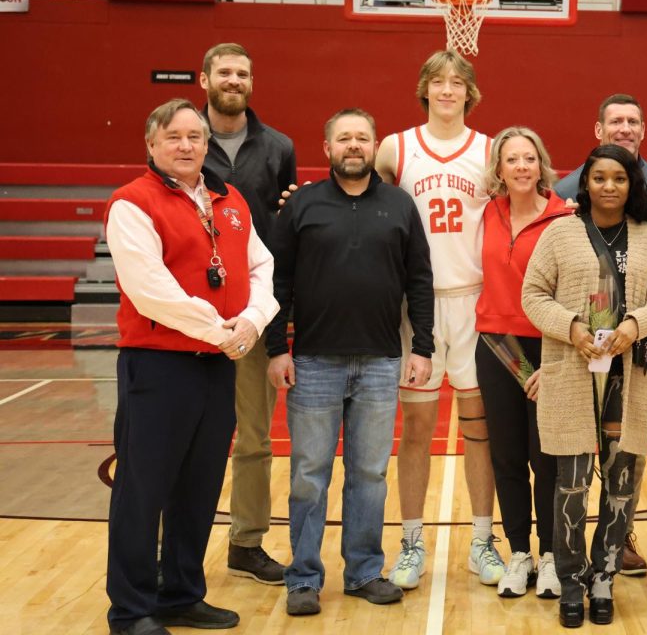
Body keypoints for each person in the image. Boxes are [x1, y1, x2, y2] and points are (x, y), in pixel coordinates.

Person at [104, 99, 279, 635]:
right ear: (152, 144)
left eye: (194, 137)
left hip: (217, 365)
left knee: (199, 486)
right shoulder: (132, 203)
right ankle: (132, 609)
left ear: (207, 145)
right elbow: (150, 289)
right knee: (144, 489)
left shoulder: (230, 200)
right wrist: (222, 330)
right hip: (158, 367)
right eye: (174, 137)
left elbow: (262, 265)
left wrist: (253, 320)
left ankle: (181, 594)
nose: (186, 146)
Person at [266, 108, 434, 616]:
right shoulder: (302, 206)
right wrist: (277, 349)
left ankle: (363, 571)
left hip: (382, 361)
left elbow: (419, 281)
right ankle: (303, 579)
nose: (354, 146)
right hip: (315, 361)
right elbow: (277, 281)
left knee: (369, 473)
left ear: (374, 145)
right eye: (345, 138)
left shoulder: (400, 205)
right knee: (309, 473)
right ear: (327, 147)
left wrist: (422, 346)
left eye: (362, 138)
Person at [522, 144, 647, 628]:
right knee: (569, 484)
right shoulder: (559, 233)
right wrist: (571, 327)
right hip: (573, 371)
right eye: (599, 178)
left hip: (627, 376)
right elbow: (532, 294)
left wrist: (634, 325)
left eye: (619, 178)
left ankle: (605, 576)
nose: (609, 186)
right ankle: (571, 581)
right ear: (585, 183)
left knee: (621, 484)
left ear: (632, 184)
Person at [375, 51, 503, 590]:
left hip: (475, 302)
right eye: (437, 81)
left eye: (457, 82)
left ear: (470, 93)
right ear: (424, 88)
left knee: (480, 428)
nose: (447, 89)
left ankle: (481, 540)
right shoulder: (394, 148)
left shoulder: (491, 149)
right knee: (416, 432)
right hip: (416, 307)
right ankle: (410, 541)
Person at [196, 42, 297, 587]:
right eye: (225, 72)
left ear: (251, 82)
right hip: (193, 318)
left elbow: (283, 230)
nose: (234, 80)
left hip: (257, 313)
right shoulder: (185, 140)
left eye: (243, 73)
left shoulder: (277, 146)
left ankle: (246, 542)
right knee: (188, 435)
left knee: (255, 437)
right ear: (204, 77)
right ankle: (177, 540)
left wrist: (277, 310)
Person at [554, 93, 647, 576]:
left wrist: (644, 326)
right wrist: (569, 327)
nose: (624, 128)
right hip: (576, 351)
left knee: (626, 458)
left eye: (633, 121)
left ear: (644, 129)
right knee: (571, 457)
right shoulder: (565, 190)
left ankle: (621, 536)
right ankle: (565, 555)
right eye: (615, 121)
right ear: (598, 129)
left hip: (634, 350)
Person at [476, 126, 572, 599]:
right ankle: (519, 553)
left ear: (541, 165)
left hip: (547, 349)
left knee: (546, 457)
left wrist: (554, 363)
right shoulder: (486, 212)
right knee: (508, 456)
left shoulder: (564, 218)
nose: (521, 167)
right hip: (496, 347)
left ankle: (553, 555)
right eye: (511, 159)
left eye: (528, 159)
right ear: (498, 168)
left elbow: (573, 294)